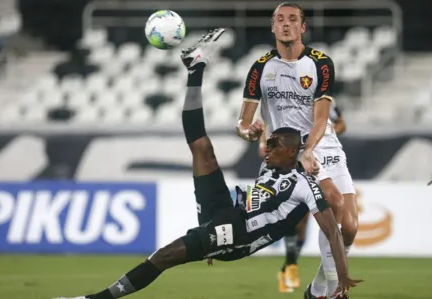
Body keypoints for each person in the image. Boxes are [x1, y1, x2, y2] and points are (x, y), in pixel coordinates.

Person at [52, 28, 362, 299]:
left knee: (166, 255)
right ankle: (195, 68)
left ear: (294, 152)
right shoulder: (269, 165)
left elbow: (333, 231)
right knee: (201, 148)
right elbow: (258, 198)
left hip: (240, 236)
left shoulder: (305, 184)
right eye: (270, 141)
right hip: (228, 213)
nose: (268, 146)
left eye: (277, 144)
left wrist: (340, 276)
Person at [235, 2, 358, 298]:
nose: (286, 24)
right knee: (334, 201)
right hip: (289, 152)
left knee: (351, 226)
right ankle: (333, 290)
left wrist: (310, 149)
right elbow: (243, 120)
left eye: (292, 19)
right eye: (280, 19)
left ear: (302, 27)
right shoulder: (260, 67)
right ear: (273, 27)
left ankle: (317, 289)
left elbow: (321, 119)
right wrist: (248, 131)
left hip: (322, 143)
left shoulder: (320, 63)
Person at [256, 101, 348, 293]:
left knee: (319, 214)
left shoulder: (326, 101)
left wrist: (325, 136)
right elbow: (270, 120)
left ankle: (293, 267)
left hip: (321, 158)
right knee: (298, 217)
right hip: (298, 156)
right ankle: (291, 265)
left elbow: (341, 124)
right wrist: (264, 142)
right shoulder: (289, 97)